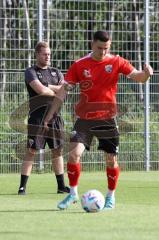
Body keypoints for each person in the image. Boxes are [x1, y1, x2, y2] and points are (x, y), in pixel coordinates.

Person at [45, 31, 153, 210]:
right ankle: (72, 194)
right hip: (84, 120)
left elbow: (139, 77)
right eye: (99, 48)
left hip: (107, 120)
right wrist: (49, 116)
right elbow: (64, 90)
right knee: (73, 155)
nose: (103, 52)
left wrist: (147, 74)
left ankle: (111, 196)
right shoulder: (79, 65)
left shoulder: (117, 61)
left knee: (111, 160)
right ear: (92, 45)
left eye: (106, 48)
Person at [18, 41, 70, 195]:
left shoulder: (56, 72)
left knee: (57, 151)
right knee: (31, 151)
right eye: (44, 54)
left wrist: (50, 87)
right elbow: (40, 90)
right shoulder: (31, 71)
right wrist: (56, 90)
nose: (48, 56)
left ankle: (61, 186)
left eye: (49, 54)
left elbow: (66, 90)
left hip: (55, 117)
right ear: (37, 55)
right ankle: (22, 187)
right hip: (37, 118)